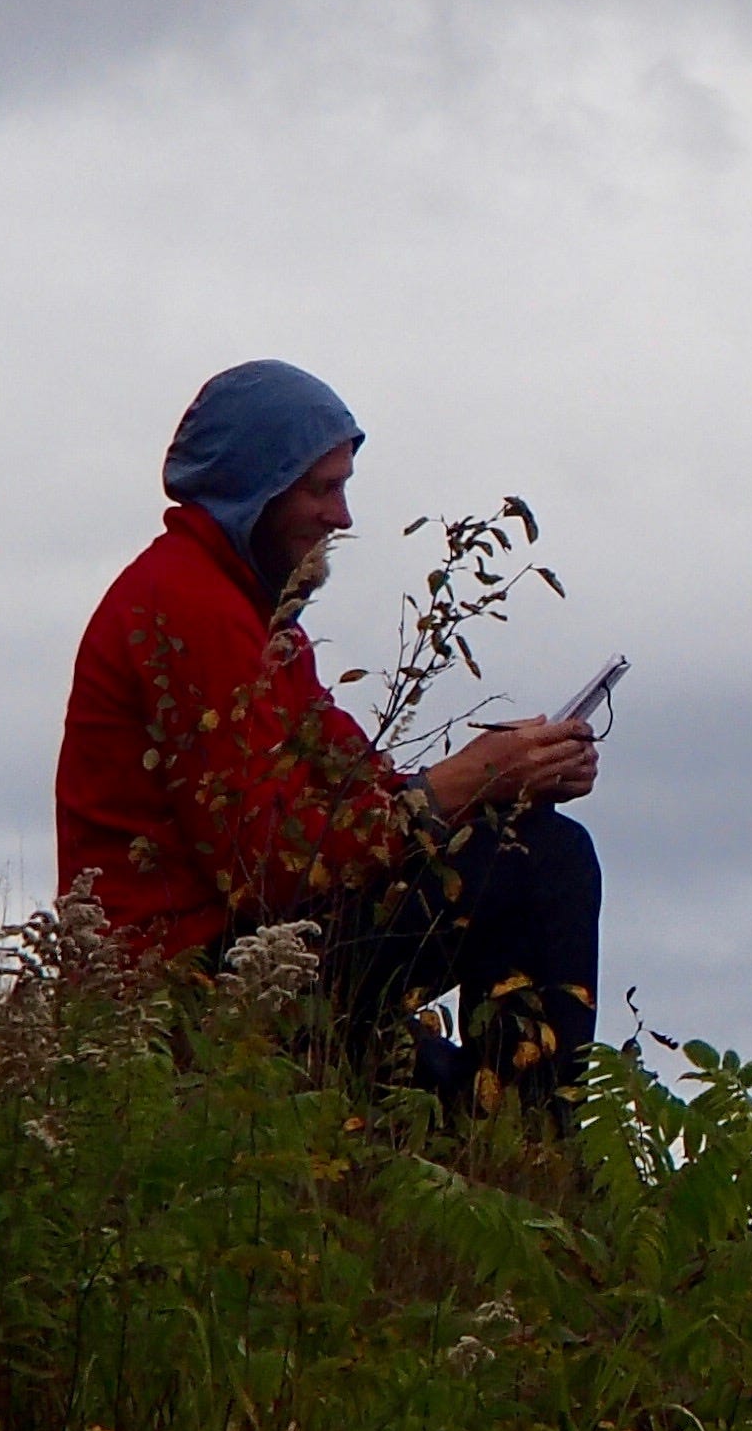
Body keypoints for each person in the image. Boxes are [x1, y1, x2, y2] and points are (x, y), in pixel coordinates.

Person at [54, 359, 604, 1107]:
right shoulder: (189, 605)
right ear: (259, 489)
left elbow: (358, 788)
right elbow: (272, 866)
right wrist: (469, 781)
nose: (340, 517)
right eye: (322, 489)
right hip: (181, 987)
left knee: (437, 1078)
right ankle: (535, 1141)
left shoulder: (253, 617)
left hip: (231, 958)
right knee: (542, 860)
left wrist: (511, 778)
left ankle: (504, 1137)